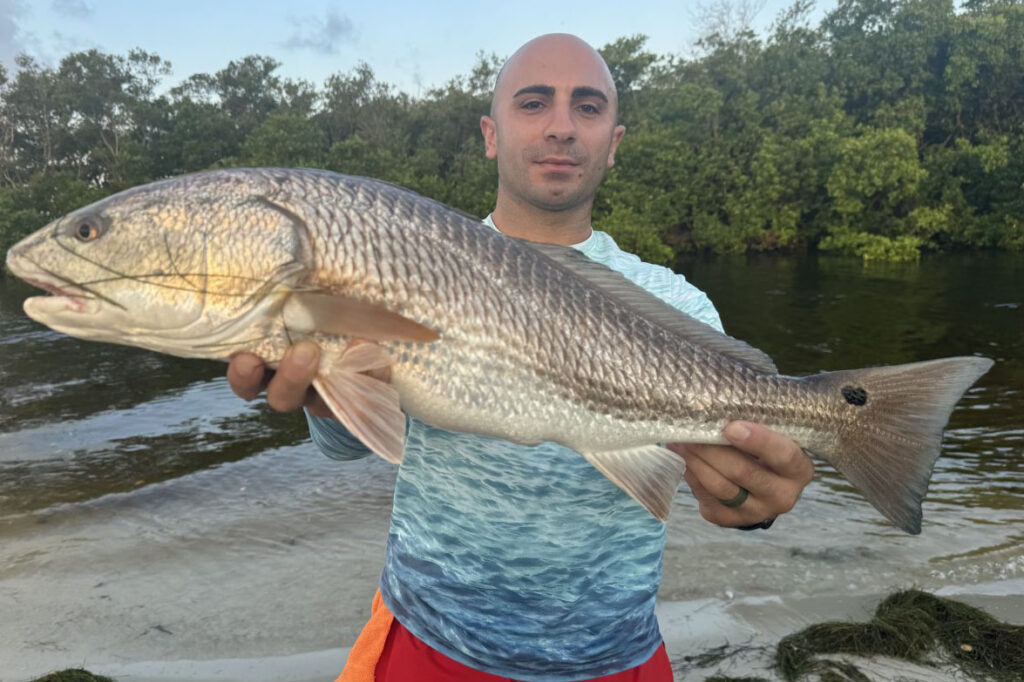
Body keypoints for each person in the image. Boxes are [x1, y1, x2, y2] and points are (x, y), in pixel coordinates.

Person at [227, 33, 814, 682]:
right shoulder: (404, 256)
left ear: (614, 142)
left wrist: (747, 503)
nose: (561, 127)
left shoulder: (678, 303)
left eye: (587, 108)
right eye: (534, 103)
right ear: (490, 133)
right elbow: (344, 447)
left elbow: (730, 481)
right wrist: (324, 393)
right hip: (427, 643)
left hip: (615, 657)